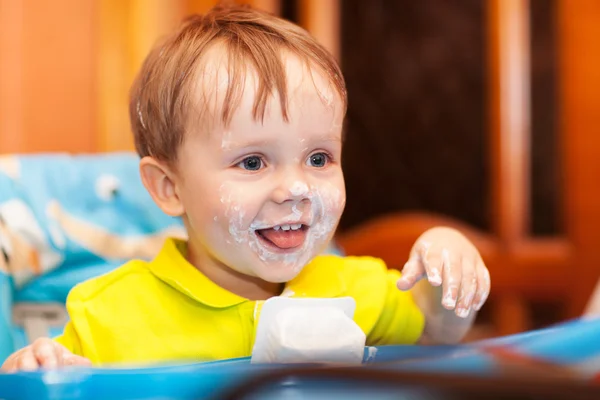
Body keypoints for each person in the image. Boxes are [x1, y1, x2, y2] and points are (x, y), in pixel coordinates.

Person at [1, 2, 490, 371]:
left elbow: (436, 339)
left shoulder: (352, 286)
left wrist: (449, 276)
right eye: (253, 161)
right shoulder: (110, 314)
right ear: (169, 187)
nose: (296, 187)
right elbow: (45, 382)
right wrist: (39, 369)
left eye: (319, 157)